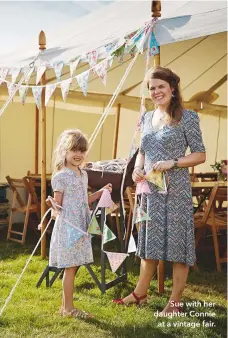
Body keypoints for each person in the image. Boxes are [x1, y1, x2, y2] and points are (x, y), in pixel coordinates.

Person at [113, 66, 206, 314]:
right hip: (150, 191)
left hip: (176, 192)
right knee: (149, 243)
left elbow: (200, 155)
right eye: (152, 88)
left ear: (172, 88)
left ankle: (174, 303)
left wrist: (173, 162)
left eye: (160, 87)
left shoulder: (188, 117)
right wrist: (137, 169)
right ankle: (140, 293)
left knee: (177, 246)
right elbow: (143, 151)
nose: (156, 92)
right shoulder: (146, 118)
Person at [50, 129, 112, 318]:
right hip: (69, 228)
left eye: (82, 151)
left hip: (81, 226)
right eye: (74, 150)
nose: (78, 154)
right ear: (65, 152)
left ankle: (65, 307)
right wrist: (52, 207)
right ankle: (68, 309)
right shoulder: (60, 177)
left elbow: (84, 201)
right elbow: (57, 205)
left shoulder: (82, 174)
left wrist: (101, 192)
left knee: (73, 267)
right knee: (70, 268)